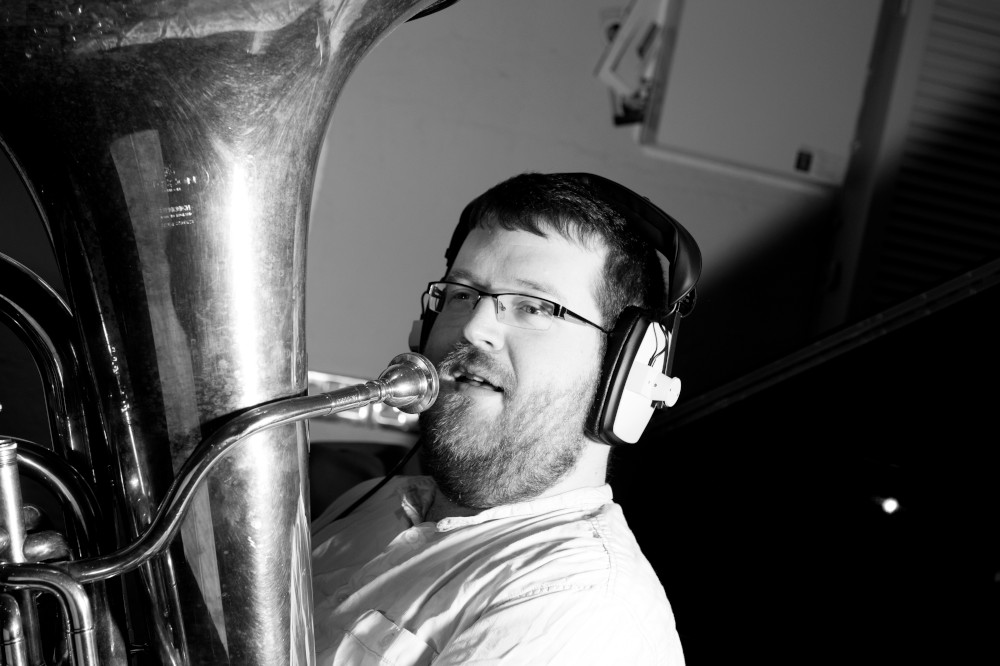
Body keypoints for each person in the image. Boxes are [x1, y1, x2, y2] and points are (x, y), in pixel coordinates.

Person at [311, 171, 699, 665]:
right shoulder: (375, 503)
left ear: (622, 374)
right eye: (462, 295)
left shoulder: (580, 607)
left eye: (535, 306)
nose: (474, 327)